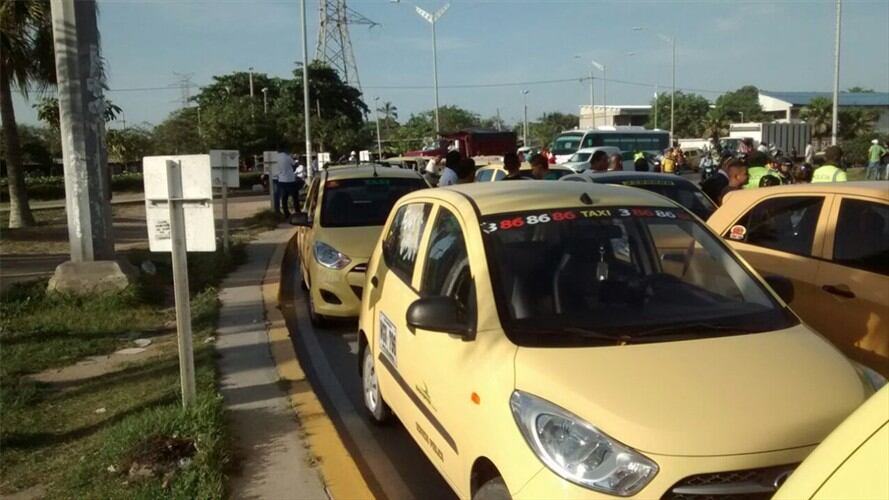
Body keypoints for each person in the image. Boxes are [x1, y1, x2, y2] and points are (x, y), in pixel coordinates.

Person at [275, 151, 298, 218]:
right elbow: (294, 164)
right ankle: (297, 212)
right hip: (290, 180)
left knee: (284, 198)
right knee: (295, 197)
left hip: (281, 180)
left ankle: (286, 214)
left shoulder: (276, 158)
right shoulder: (287, 157)